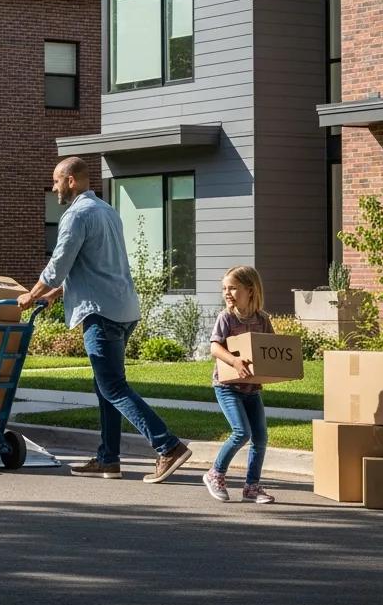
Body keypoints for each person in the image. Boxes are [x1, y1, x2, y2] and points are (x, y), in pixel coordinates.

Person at [17, 156, 192, 483]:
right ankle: (108, 459)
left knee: (112, 386)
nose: (53, 187)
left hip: (101, 312)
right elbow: (93, 261)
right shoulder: (107, 211)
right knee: (106, 387)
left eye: (56, 181)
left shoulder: (77, 215)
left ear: (71, 181)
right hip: (123, 309)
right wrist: (57, 293)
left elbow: (58, 264)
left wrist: (31, 294)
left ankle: (167, 446)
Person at [203, 265, 276, 504]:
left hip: (251, 388)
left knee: (260, 437)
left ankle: (252, 487)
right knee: (241, 432)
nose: (227, 292)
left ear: (251, 290)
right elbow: (215, 347)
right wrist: (234, 361)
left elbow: (270, 348)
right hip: (227, 386)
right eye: (224, 288)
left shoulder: (262, 320)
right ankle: (215, 473)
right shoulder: (227, 318)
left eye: (233, 288)